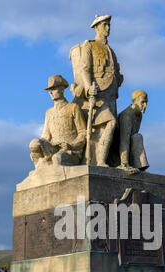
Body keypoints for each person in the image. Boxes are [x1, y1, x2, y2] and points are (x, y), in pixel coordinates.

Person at [70, 14, 123, 166]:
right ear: (96, 27)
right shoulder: (90, 46)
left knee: (106, 130)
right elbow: (85, 69)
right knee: (110, 123)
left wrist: (119, 80)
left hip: (110, 95)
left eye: (109, 25)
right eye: (104, 25)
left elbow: (114, 71)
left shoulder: (111, 50)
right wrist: (88, 88)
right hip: (96, 94)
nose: (108, 28)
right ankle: (100, 161)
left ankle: (105, 160)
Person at [29, 74, 86, 168]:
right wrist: (39, 144)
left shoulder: (73, 108)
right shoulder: (49, 112)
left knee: (57, 158)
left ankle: (47, 165)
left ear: (62, 89)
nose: (51, 92)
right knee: (34, 144)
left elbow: (83, 133)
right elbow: (46, 136)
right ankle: (41, 166)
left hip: (70, 152)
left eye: (54, 89)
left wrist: (72, 145)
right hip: (52, 149)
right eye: (49, 90)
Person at [118, 90, 149, 171]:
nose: (145, 105)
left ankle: (140, 166)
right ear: (135, 101)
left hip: (128, 147)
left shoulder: (139, 115)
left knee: (137, 137)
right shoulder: (127, 115)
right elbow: (124, 140)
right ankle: (125, 163)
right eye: (143, 102)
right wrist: (125, 164)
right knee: (137, 137)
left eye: (146, 102)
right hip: (117, 152)